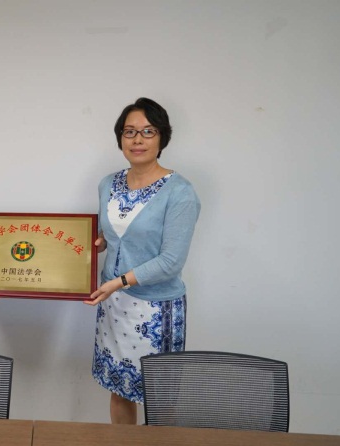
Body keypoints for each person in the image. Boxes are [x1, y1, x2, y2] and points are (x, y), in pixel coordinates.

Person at [84, 97, 201, 424]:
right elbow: (114, 233)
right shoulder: (108, 184)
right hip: (113, 302)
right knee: (119, 387)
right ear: (120, 137)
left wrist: (119, 282)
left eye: (148, 131)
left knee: (159, 396)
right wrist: (97, 243)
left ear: (162, 137)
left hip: (155, 309)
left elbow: (171, 261)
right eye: (130, 131)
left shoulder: (180, 192)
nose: (138, 139)